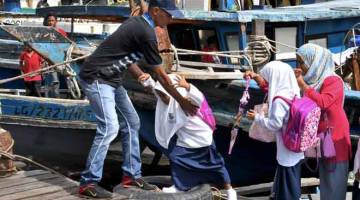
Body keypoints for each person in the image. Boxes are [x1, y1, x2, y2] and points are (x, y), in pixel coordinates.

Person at [77, 1, 197, 198]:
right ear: (156, 11)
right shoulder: (146, 32)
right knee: (109, 128)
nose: (171, 18)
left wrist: (146, 82)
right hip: (97, 77)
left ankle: (131, 175)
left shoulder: (139, 25)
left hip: (112, 80)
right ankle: (88, 183)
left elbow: (128, 59)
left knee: (133, 122)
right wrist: (181, 101)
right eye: (169, 14)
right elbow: (161, 75)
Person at [141, 74, 236, 199]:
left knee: (215, 165)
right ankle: (179, 186)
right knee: (176, 159)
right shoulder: (169, 101)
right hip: (185, 140)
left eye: (165, 93)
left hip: (202, 139)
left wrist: (187, 86)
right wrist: (148, 81)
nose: (163, 97)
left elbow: (199, 97)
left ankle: (229, 190)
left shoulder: (188, 100)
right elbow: (158, 92)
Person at [295, 43, 351, 200]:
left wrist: (303, 85)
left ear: (314, 61)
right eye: (298, 62)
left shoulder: (333, 80)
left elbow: (324, 102)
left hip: (335, 138)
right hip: (322, 138)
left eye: (302, 62)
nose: (300, 66)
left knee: (335, 181)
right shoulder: (314, 81)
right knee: (326, 180)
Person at [246, 61, 304, 200]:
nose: (267, 81)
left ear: (274, 77)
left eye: (268, 78)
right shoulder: (292, 91)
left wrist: (257, 118)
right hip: (296, 146)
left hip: (286, 150)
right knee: (293, 180)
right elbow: (267, 87)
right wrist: (255, 76)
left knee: (288, 186)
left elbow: (275, 125)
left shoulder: (279, 100)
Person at [43, 13, 67, 98]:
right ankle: (55, 98)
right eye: (49, 20)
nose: (50, 22)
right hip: (49, 60)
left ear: (56, 21)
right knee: (54, 80)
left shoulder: (61, 32)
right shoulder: (43, 33)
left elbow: (66, 44)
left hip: (62, 59)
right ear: (46, 21)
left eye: (52, 20)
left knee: (68, 78)